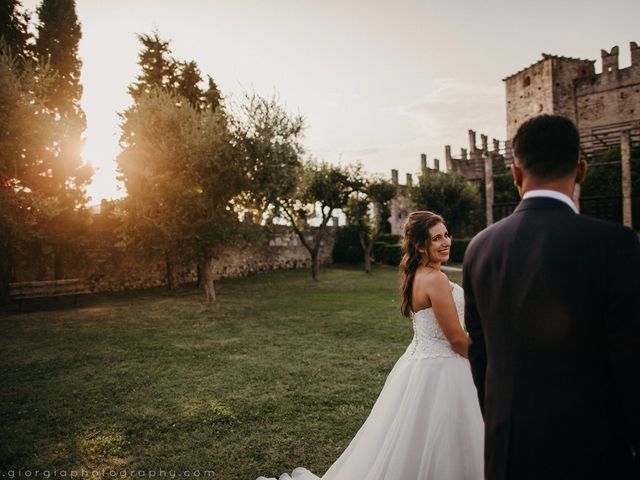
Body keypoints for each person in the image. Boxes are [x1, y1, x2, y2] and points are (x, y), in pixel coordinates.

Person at [463, 114, 640, 480]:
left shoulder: (479, 249)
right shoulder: (615, 243)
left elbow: (481, 359)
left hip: (507, 453)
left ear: (514, 173)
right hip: (594, 454)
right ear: (581, 171)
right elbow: (631, 358)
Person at [257, 211, 484, 480]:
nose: (446, 242)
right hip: (442, 371)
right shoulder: (434, 279)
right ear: (421, 245)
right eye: (437, 238)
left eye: (446, 234)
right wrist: (491, 358)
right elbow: (456, 339)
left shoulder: (418, 275)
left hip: (420, 366)